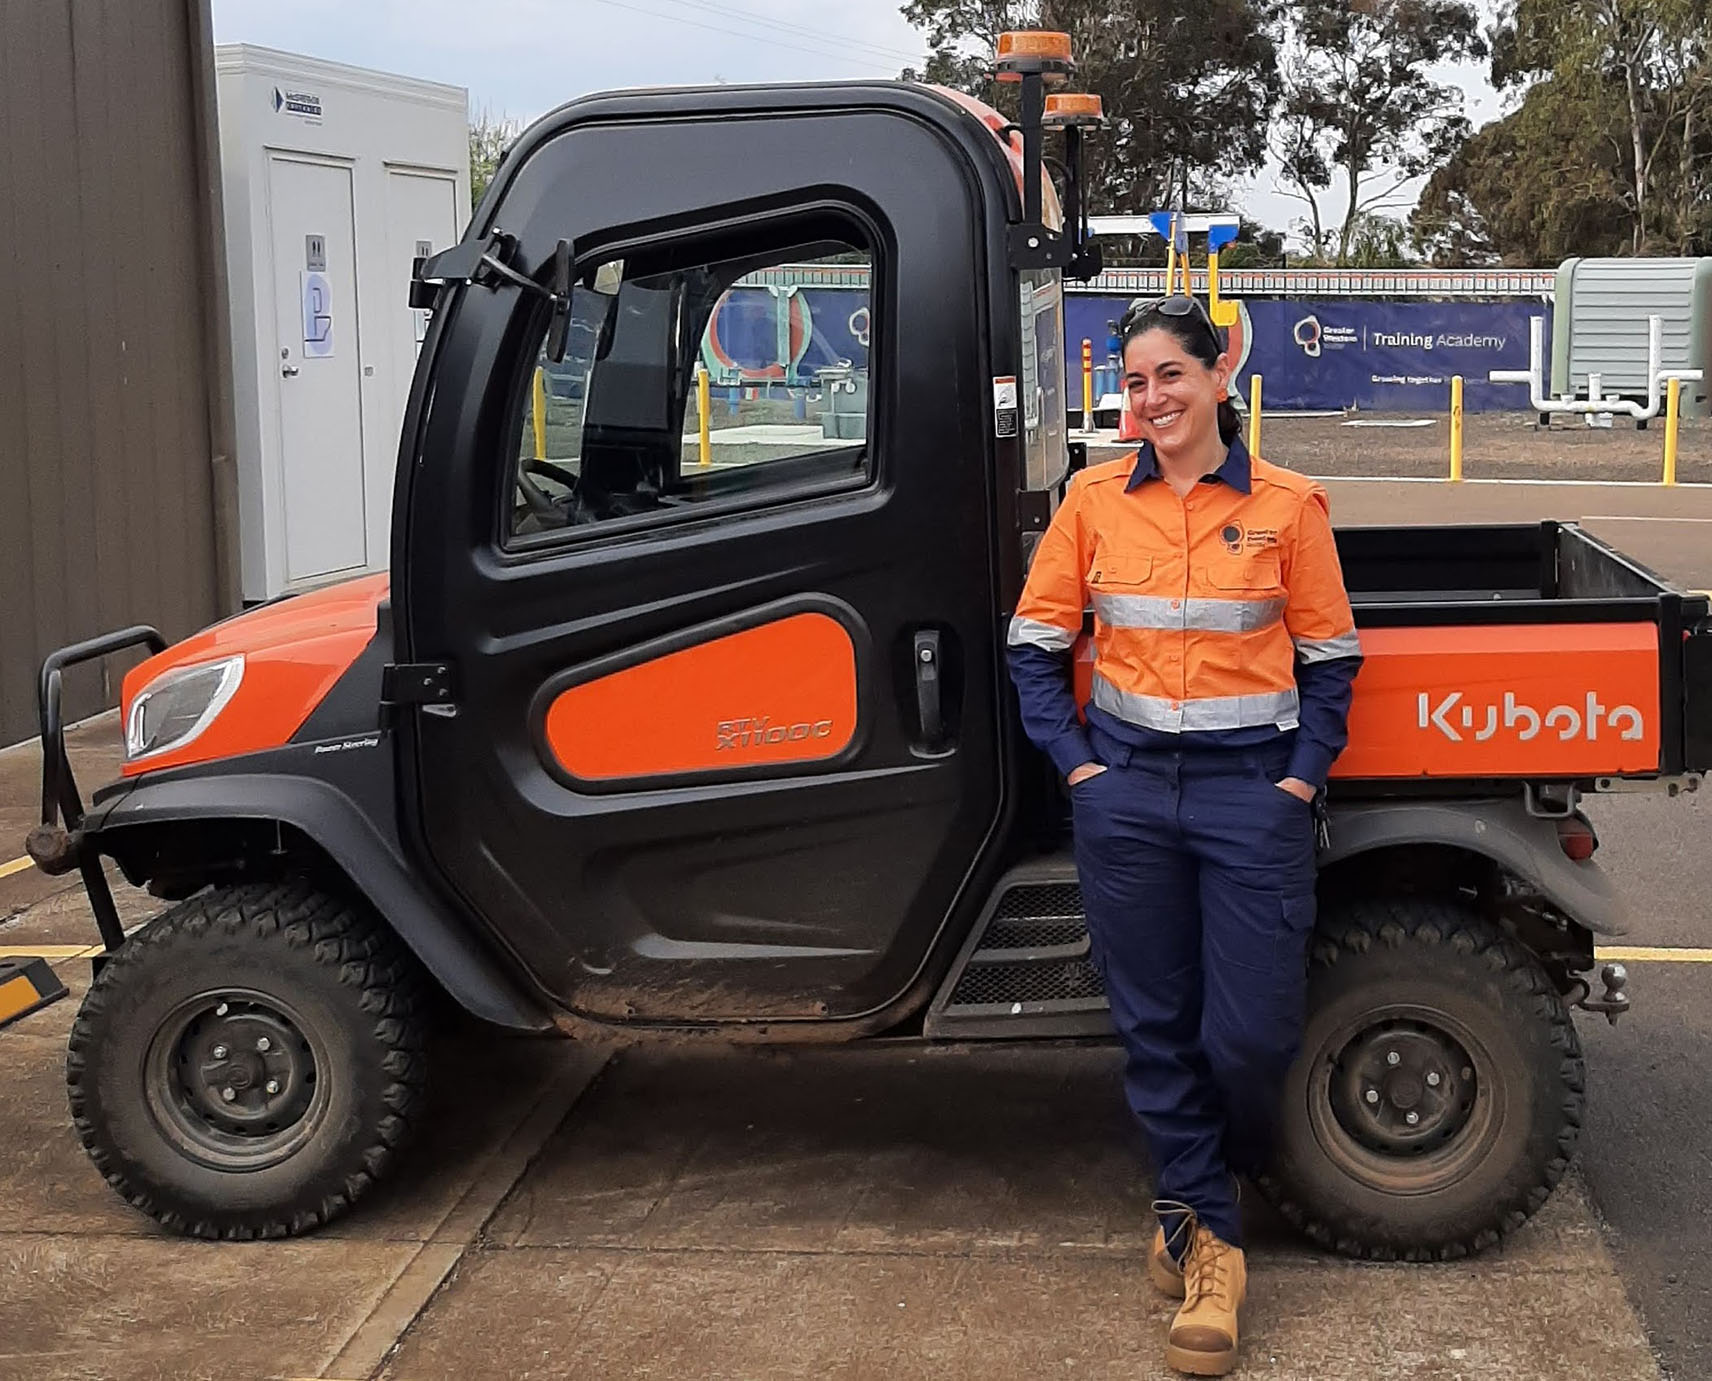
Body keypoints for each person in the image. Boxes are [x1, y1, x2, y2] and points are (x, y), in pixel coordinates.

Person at [1006, 295, 1362, 1377]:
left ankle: (1193, 1196)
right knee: (1152, 1024)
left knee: (1247, 1034)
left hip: (1247, 797)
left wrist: (1295, 785)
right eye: (1133, 381)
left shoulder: (1288, 507)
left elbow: (1330, 660)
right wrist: (1078, 769)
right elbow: (1032, 643)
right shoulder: (1092, 500)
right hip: (1125, 796)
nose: (1148, 398)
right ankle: (1207, 1240)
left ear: (1217, 381)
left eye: (1168, 375)